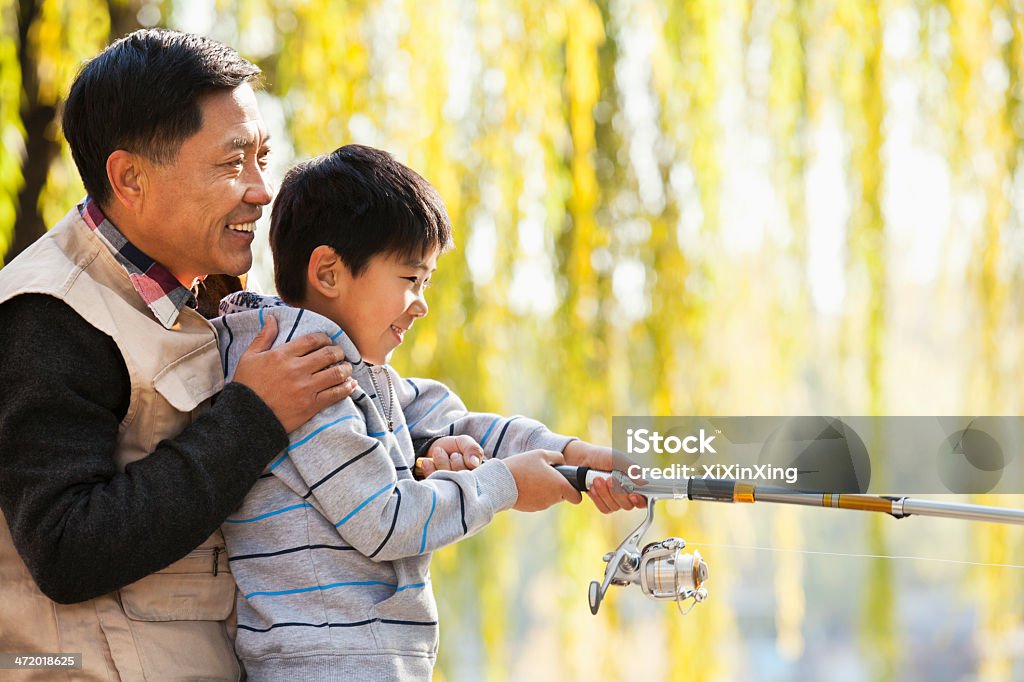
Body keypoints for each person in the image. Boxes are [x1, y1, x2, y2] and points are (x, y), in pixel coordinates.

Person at [0, 30, 357, 680]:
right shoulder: (51, 314)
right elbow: (65, 547)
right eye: (231, 163)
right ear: (129, 177)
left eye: (261, 158)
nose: (261, 190)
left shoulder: (206, 294)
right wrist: (253, 416)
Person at [213, 144, 643, 680]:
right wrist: (503, 486)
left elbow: (459, 425)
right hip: (326, 665)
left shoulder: (356, 373)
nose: (422, 303)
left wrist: (576, 456)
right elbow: (386, 520)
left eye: (427, 282)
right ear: (328, 272)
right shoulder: (305, 377)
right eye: (410, 279)